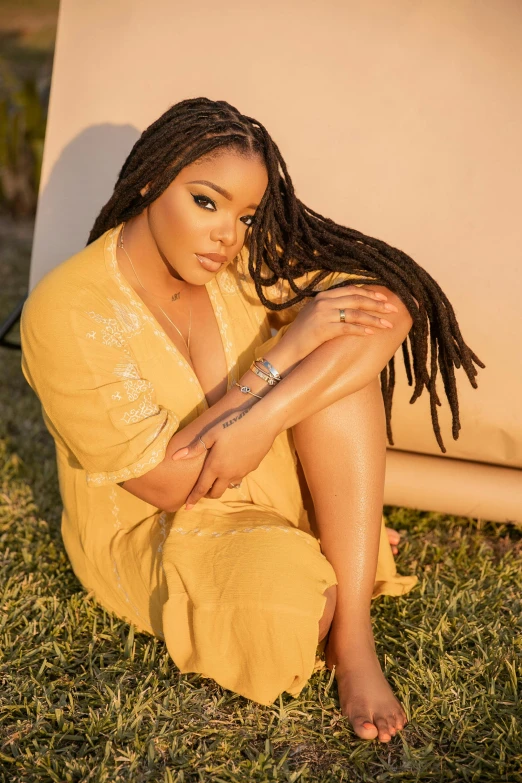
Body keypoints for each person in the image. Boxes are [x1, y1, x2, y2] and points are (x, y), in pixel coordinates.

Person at [20, 97, 483, 743]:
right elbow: (165, 484)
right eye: (206, 201)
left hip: (250, 465)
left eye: (247, 214)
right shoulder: (68, 310)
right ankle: (337, 542)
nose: (227, 235)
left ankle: (355, 638)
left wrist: (265, 420)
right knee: (293, 602)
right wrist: (285, 353)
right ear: (151, 181)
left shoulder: (240, 261)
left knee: (341, 380)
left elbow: (389, 306)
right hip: (162, 522)